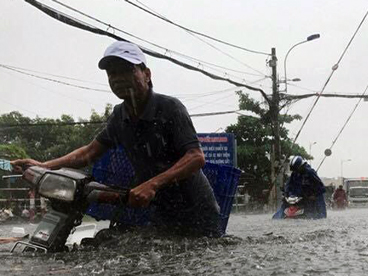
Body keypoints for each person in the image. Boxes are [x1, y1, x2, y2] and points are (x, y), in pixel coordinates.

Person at [11, 41, 222, 237]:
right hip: (160, 209)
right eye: (112, 74)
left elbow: (196, 157)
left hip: (196, 208)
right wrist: (44, 165)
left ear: (146, 74)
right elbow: (88, 153)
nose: (119, 78)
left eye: (127, 71)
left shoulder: (169, 108)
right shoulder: (120, 116)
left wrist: (153, 184)